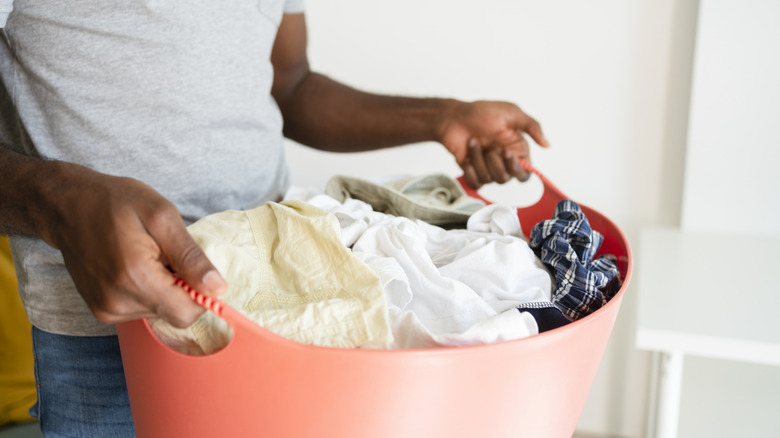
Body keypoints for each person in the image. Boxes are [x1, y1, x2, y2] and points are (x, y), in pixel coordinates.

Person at [0, 1, 548, 436]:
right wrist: (58, 203)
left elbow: (289, 83)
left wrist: (444, 117)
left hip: (282, 295)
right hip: (106, 331)